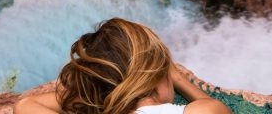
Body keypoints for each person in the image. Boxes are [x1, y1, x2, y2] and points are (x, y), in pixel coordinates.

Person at [14, 18, 231, 114]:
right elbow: (214, 106)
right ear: (156, 74)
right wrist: (179, 79)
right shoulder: (203, 111)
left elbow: (25, 106)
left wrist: (95, 96)